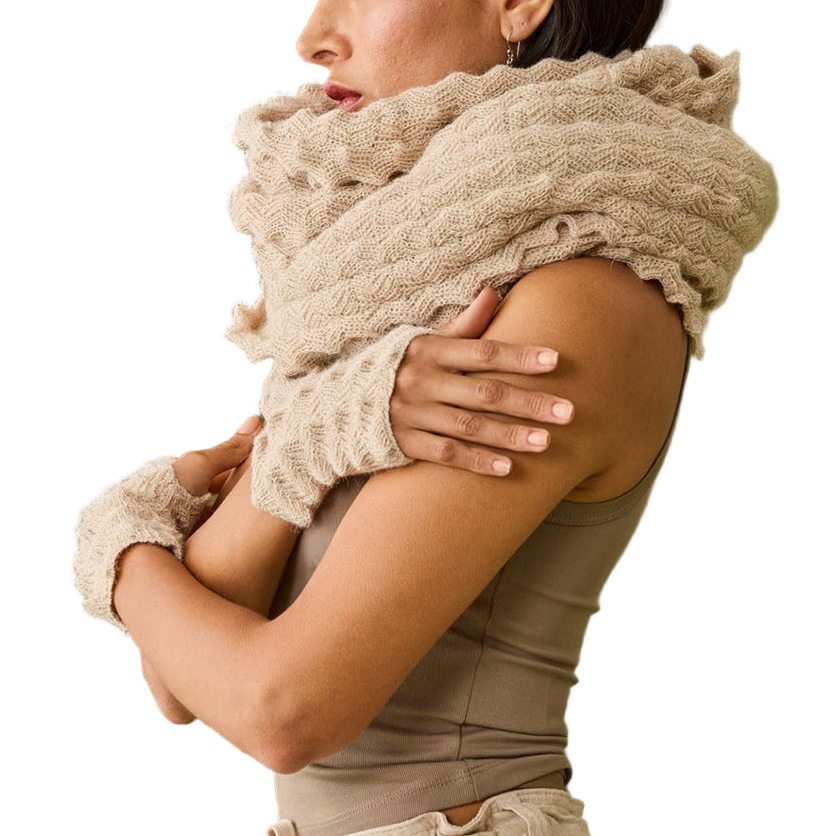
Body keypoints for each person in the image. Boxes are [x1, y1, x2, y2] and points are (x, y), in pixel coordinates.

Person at [87, 1, 775, 835]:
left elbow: (280, 711)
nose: (313, 38)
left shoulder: (579, 299)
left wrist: (117, 543)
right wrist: (324, 425)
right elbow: (181, 681)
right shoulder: (390, 293)